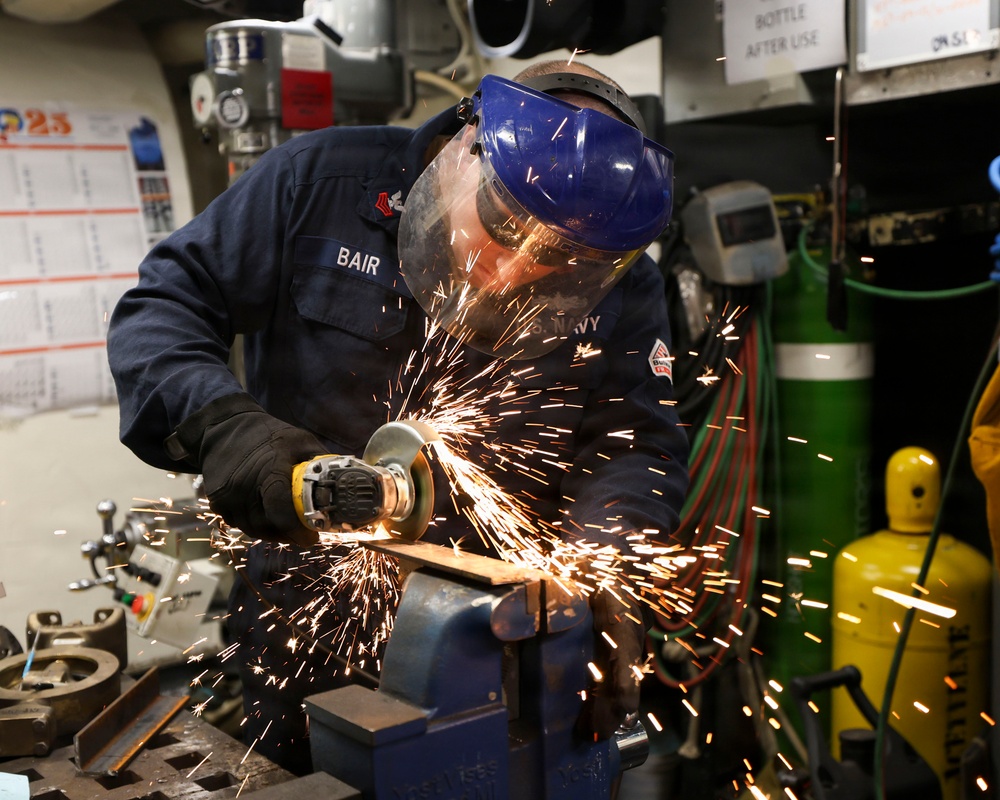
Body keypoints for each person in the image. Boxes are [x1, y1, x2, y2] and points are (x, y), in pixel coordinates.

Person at [107, 58, 690, 774]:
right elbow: (163, 307)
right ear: (466, 147)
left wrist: (604, 574)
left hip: (506, 644)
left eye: (560, 263)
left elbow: (635, 446)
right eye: (505, 228)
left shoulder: (626, 285)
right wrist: (226, 427)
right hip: (306, 633)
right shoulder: (317, 185)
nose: (515, 273)